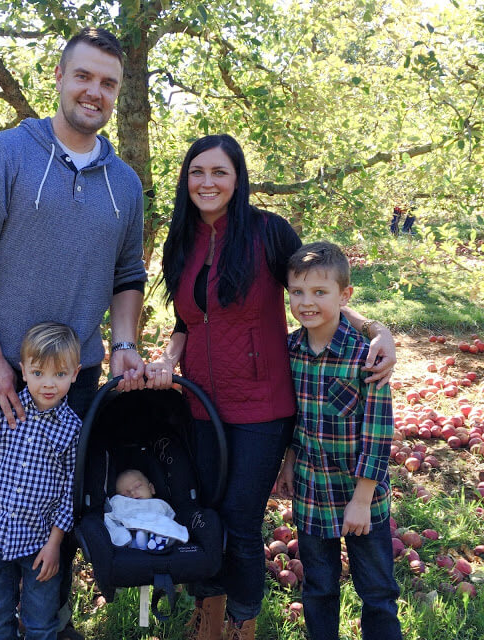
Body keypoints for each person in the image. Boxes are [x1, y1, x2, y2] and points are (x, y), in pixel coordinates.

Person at [0, 27, 147, 640]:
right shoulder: (7, 155)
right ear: (58, 78)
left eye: (108, 83)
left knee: (64, 503)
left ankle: (47, 626)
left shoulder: (124, 184)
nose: (94, 91)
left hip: (74, 380)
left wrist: (126, 344)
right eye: (83, 76)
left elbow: (128, 274)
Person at [144, 134, 396, 640]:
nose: (207, 182)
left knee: (239, 521)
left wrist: (376, 329)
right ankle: (208, 617)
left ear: (238, 178)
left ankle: (243, 620)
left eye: (220, 172)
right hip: (202, 404)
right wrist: (168, 358)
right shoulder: (181, 239)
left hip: (262, 407)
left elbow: (316, 289)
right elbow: (186, 323)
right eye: (197, 172)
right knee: (205, 513)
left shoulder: (267, 233)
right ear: (185, 179)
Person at [276, 241, 401, 640]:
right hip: (313, 492)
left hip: (360, 494)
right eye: (297, 292)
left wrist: (362, 500)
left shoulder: (366, 356)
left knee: (377, 590)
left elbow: (379, 433)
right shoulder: (290, 350)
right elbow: (294, 419)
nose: (306, 302)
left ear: (345, 296)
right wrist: (289, 462)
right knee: (319, 587)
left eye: (319, 292)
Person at [0, 322, 82, 640]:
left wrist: (55, 543)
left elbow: (71, 490)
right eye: (39, 372)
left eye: (60, 374)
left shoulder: (72, 429)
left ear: (75, 373)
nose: (48, 384)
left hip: (41, 543)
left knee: (41, 623)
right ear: (23, 370)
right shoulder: (3, 412)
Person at [105, 469, 189, 550]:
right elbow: (115, 517)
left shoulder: (158, 504)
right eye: (124, 495)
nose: (132, 493)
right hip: (133, 530)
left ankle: (160, 539)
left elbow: (168, 517)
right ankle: (140, 542)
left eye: (137, 486)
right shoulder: (122, 504)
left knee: (168, 526)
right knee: (132, 534)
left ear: (151, 488)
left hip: (157, 527)